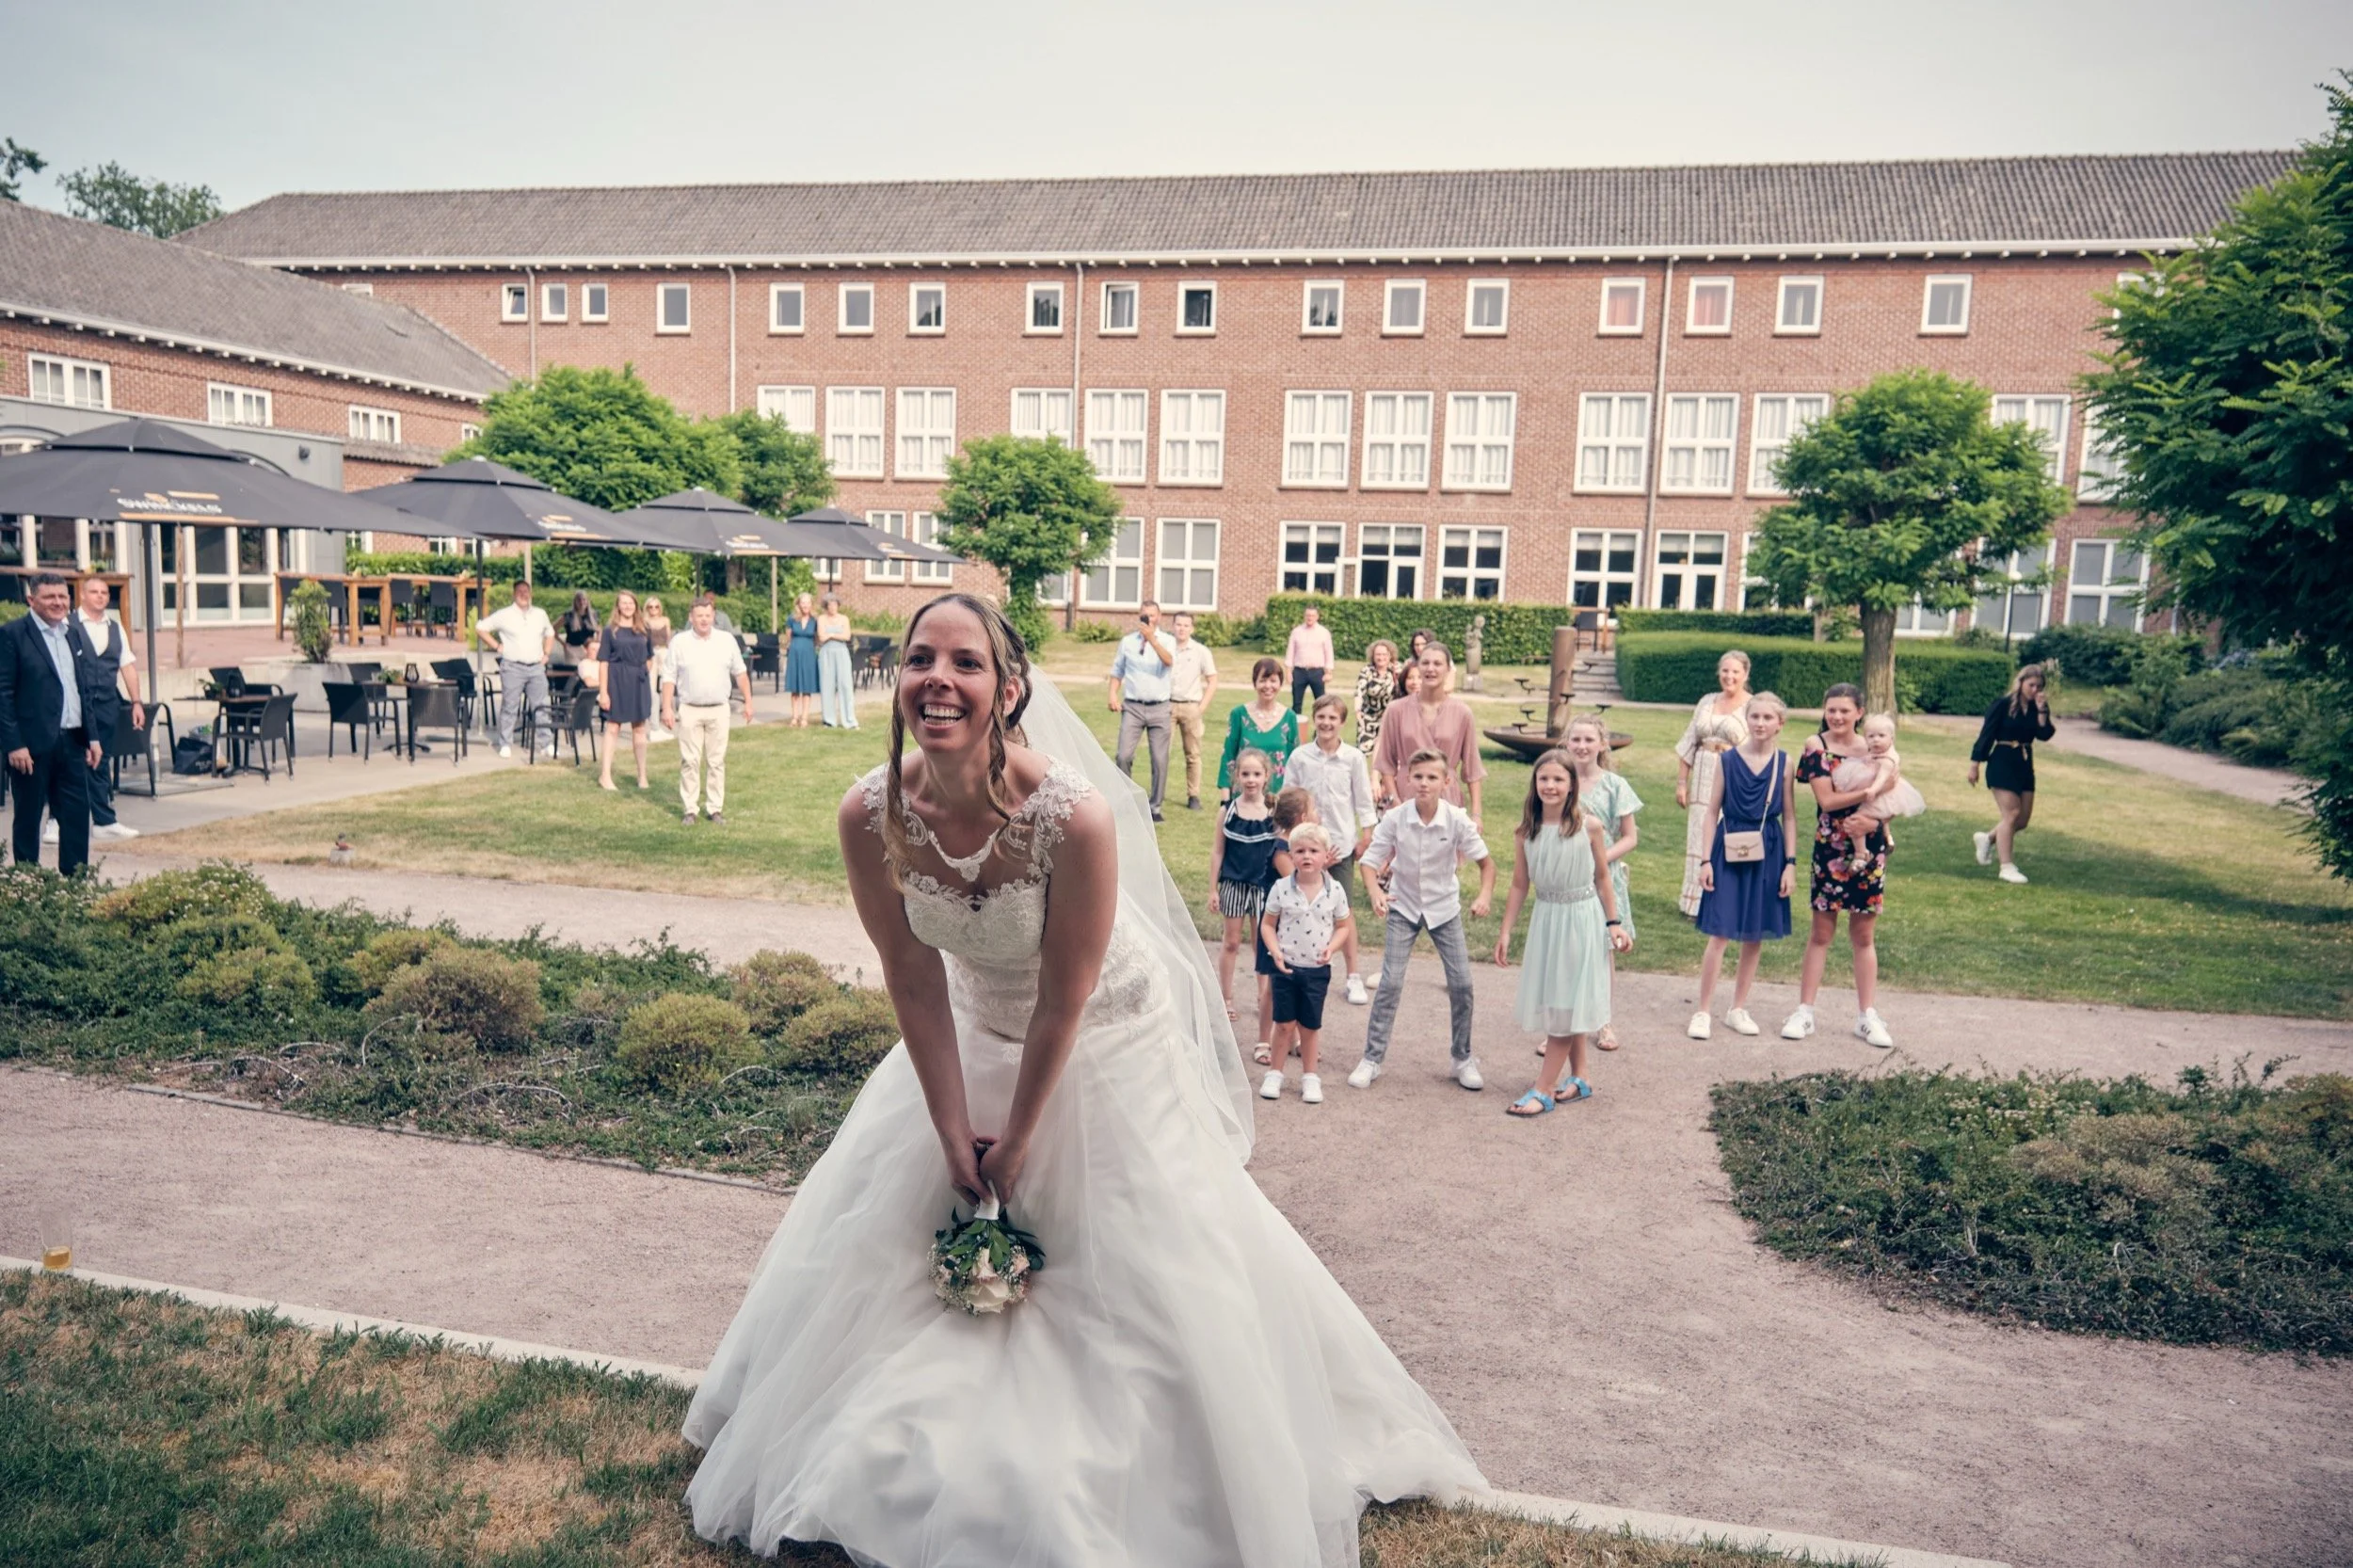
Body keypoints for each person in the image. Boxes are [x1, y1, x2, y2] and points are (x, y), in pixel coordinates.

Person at [680, 593, 1486, 1561]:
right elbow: (912, 976)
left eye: (965, 662)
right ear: (896, 682)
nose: (938, 679)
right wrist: (948, 1128)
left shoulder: (1075, 818)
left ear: (1007, 688)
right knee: (901, 1240)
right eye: (919, 659)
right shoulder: (869, 813)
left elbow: (1065, 1000)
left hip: (1103, 1039)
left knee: (1142, 1266)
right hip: (971, 1029)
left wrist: (1018, 1137)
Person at [1491, 749, 1631, 1115]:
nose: (1550, 786)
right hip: (1547, 918)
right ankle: (1580, 1076)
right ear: (1534, 783)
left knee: (1564, 1008)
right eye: (1544, 779)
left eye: (1558, 779)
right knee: (1562, 998)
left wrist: (1613, 923)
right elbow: (1520, 884)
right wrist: (1506, 931)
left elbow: (1603, 877)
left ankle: (1544, 1088)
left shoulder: (1590, 827)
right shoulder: (1527, 832)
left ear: (1571, 787)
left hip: (1581, 919)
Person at [1352, 748, 1497, 1092]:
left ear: (1446, 782)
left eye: (1432, 777)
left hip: (1444, 909)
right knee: (1390, 983)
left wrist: (1484, 896)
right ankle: (1372, 1059)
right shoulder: (1395, 817)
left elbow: (1487, 864)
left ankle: (1462, 1058)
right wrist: (1375, 893)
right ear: (1407, 779)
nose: (1424, 783)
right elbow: (1369, 862)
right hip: (1403, 905)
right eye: (1417, 777)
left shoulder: (1457, 819)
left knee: (1462, 984)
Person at [1785, 683, 1894, 1048]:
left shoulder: (1874, 747)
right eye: (1831, 710)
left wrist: (1876, 821)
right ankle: (1805, 1012)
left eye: (1845, 711)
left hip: (1869, 847)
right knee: (1821, 933)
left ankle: (1867, 1016)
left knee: (1863, 935)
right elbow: (1827, 800)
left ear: (1859, 712)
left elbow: (1893, 794)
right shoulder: (1816, 746)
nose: (1837, 716)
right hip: (1831, 847)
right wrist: (1867, 794)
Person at [1689, 693, 1797, 1039]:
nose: (1761, 723)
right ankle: (1703, 1011)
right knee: (1720, 931)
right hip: (1729, 844)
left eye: (1768, 718)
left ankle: (1737, 1008)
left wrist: (1790, 864)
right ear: (1746, 719)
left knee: (1754, 933)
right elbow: (1710, 811)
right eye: (1755, 717)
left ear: (1780, 723)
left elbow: (1791, 817)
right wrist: (1706, 859)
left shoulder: (1785, 763)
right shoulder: (1729, 759)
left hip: (1769, 847)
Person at [0, 573, 111, 875]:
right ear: (31, 600)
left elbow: (81, 689)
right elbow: (3, 694)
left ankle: (75, 883)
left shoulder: (72, 633)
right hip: (31, 746)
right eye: (50, 597)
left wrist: (93, 737)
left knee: (76, 815)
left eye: (63, 597)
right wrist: (13, 744)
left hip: (73, 742)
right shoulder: (12, 635)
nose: (58, 603)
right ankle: (28, 882)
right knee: (29, 816)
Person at [1285, 695, 1377, 1004]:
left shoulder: (1352, 758)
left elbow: (1363, 800)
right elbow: (1289, 798)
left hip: (1340, 845)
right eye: (1321, 717)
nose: (1326, 723)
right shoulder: (1300, 757)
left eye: (1332, 718)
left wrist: (1366, 836)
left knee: (1343, 912)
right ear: (1314, 719)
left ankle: (1353, 976)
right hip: (1306, 846)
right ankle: (1304, 965)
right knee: (1304, 908)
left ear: (1342, 722)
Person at [1258, 822, 1353, 1104]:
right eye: (1299, 851)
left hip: (1317, 969)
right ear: (1291, 854)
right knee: (1284, 1023)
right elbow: (1267, 925)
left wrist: (1332, 948)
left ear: (1326, 855)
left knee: (1310, 1026)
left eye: (1314, 850)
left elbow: (1344, 926)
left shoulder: (1334, 890)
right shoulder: (1281, 888)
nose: (1307, 856)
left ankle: (1310, 1077)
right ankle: (1275, 1073)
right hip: (1286, 967)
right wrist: (1275, 951)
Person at [1562, 714, 1641, 1050]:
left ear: (1602, 744)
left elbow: (1630, 837)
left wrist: (1601, 859)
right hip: (1566, 879)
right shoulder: (1558, 781)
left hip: (1603, 878)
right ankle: (1563, 1028)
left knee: (1602, 949)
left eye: (1588, 740)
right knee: (1566, 950)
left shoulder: (1615, 785)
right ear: (1566, 743)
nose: (1581, 746)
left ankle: (1604, 1022)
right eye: (1575, 740)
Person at [1673, 650, 1753, 917]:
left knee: (1728, 836)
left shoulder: (1753, 705)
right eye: (1725, 671)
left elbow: (1757, 750)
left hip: (1733, 778)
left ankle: (1727, 901)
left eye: (1735, 672)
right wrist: (1682, 783)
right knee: (1699, 837)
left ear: (1745, 675)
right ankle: (1695, 903)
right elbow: (1689, 741)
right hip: (1703, 778)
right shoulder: (1707, 701)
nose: (1729, 676)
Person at [1207, 747, 1280, 1034]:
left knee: (1262, 944)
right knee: (1232, 942)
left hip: (1263, 888)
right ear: (1237, 777)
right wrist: (1213, 889)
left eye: (1257, 774)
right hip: (1234, 884)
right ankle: (1226, 997)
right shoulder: (1228, 811)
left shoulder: (1273, 811)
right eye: (1245, 774)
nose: (1251, 780)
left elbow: (1280, 851)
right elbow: (1217, 852)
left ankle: (1264, 997)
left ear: (1266, 777)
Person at [1369, 642, 1485, 824]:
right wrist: (1395, 800)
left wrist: (1477, 814)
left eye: (1437, 664)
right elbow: (1385, 762)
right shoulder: (1396, 710)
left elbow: (1473, 768)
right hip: (1406, 794)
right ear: (1418, 666)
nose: (1431, 669)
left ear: (1448, 669)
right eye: (1425, 663)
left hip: (1446, 797)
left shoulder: (1462, 712)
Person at [663, 599, 753, 826]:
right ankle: (690, 809)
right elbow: (669, 677)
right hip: (690, 708)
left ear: (714, 617)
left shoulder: (726, 640)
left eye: (707, 615)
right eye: (699, 615)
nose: (704, 619)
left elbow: (740, 673)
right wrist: (666, 708)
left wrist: (749, 702)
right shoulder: (680, 642)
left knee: (716, 761)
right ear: (691, 618)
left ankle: (715, 808)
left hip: (719, 709)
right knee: (690, 760)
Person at [1969, 663, 2057, 886]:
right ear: (2020, 683)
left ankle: (1987, 839)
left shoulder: (2038, 708)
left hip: (2025, 763)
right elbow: (1986, 733)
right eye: (2031, 685)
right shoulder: (2003, 704)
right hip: (2002, 760)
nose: (2035, 690)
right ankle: (2006, 866)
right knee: (2012, 813)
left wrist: (2043, 711)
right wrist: (1975, 764)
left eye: (2039, 686)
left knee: (2022, 819)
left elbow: (2045, 734)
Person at [72, 574, 141, 844]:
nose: (100, 596)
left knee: (101, 761)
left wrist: (136, 702)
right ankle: (56, 821)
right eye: (94, 592)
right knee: (69, 763)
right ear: (82, 595)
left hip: (106, 705)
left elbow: (127, 666)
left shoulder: (116, 627)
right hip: (75, 705)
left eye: (104, 592)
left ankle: (104, 821)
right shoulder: (68, 624)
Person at [1107, 600, 1176, 819]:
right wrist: (1112, 694)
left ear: (1159, 617)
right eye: (1144, 615)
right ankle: (1127, 802)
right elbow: (1117, 671)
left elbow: (1168, 661)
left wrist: (1152, 640)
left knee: (1159, 759)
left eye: (1152, 615)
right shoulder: (1127, 642)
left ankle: (1155, 807)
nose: (1148, 618)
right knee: (1123, 755)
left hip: (1159, 707)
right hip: (1134, 706)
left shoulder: (1167, 640)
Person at [476, 580, 556, 760]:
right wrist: (497, 646)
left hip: (536, 667)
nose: (523, 594)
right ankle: (505, 743)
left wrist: (547, 653)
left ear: (531, 593)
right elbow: (480, 628)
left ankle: (546, 744)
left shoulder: (540, 614)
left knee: (542, 706)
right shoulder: (504, 614)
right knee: (510, 706)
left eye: (526, 591)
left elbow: (550, 633)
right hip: (512, 667)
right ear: (514, 594)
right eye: (520, 591)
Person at [1836, 713, 1927, 859]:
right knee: (1881, 817)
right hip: (1882, 792)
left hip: (1883, 793)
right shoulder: (1877, 753)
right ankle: (1888, 837)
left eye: (1881, 736)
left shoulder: (1888, 759)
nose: (1876, 740)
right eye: (1871, 736)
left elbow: (1882, 777)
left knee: (1858, 818)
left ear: (1892, 738)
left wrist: (1872, 790)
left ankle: (1860, 853)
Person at [594, 588, 658, 792]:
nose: (628, 606)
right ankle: (605, 775)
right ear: (618, 606)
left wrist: (642, 672)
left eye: (631, 602)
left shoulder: (644, 628)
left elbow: (650, 657)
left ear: (636, 605)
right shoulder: (609, 630)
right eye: (624, 603)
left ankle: (642, 775)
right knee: (613, 727)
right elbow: (603, 662)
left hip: (638, 682)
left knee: (639, 728)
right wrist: (604, 692)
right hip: (616, 680)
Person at [1218, 657, 1298, 801]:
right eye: (1262, 680)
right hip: (1244, 797)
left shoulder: (1289, 717)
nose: (1268, 686)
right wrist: (1225, 801)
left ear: (1280, 684)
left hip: (1278, 798)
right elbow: (1228, 757)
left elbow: (1295, 761)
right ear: (1255, 683)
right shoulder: (1239, 715)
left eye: (1273, 680)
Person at [1165, 611, 1219, 810]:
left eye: (1186, 625)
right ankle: (1157, 794)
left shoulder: (1200, 651)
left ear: (1192, 628)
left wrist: (1201, 707)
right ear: (1173, 626)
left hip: (1191, 706)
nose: (1182, 629)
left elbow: (1212, 679)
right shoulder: (1165, 647)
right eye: (1178, 624)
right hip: (1167, 705)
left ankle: (1193, 795)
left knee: (1193, 754)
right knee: (1162, 753)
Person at [817, 594, 858, 729]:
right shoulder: (821, 619)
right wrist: (835, 636)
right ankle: (829, 720)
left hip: (841, 652)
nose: (832, 607)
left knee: (846, 685)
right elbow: (821, 637)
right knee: (827, 685)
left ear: (838, 605)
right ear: (826, 606)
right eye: (829, 605)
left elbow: (847, 636)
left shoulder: (844, 618)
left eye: (834, 604)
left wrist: (831, 635)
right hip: (826, 653)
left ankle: (849, 720)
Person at [1354, 638, 1400, 759]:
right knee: (1363, 751)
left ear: (1390, 655)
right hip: (1368, 715)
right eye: (1378, 654)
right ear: (1373, 656)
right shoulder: (1366, 671)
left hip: (1389, 716)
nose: (1381, 657)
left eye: (1384, 654)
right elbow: (1359, 691)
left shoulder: (1396, 670)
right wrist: (1357, 710)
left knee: (1389, 752)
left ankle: (1382, 777)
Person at [1286, 603, 1334, 712]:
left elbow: (1329, 653)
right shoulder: (1296, 632)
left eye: (1312, 615)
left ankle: (1321, 728)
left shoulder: (1324, 633)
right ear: (1304, 616)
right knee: (1296, 704)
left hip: (1317, 672)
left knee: (1321, 703)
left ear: (1317, 617)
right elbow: (1290, 653)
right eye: (1307, 615)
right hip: (1299, 672)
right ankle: (1296, 728)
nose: (1310, 618)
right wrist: (1288, 672)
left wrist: (1329, 672)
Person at [783, 592, 820, 728]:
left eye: (808, 602)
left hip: (809, 653)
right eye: (803, 602)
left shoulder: (815, 620)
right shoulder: (792, 619)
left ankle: (804, 717)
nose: (805, 605)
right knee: (795, 686)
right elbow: (788, 637)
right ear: (799, 604)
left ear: (811, 604)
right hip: (795, 653)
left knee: (807, 686)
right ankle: (794, 716)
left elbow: (817, 638)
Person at [557, 590, 600, 673]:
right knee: (574, 672)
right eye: (579, 600)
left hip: (588, 649)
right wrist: (563, 643)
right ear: (575, 602)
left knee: (588, 672)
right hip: (573, 649)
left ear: (587, 601)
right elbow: (553, 629)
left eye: (584, 600)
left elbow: (599, 630)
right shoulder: (568, 615)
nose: (581, 602)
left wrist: (596, 642)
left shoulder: (593, 615)